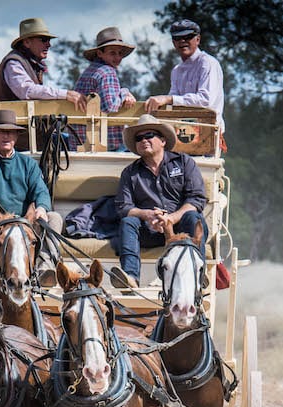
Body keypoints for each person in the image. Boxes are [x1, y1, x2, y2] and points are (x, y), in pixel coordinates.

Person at [0, 109, 63, 287]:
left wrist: (42, 207)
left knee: (54, 218)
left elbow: (40, 190)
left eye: (10, 132)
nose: (6, 136)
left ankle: (46, 268)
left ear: (16, 136)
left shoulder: (27, 164)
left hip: (25, 224)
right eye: (1, 131)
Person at [110, 115, 208, 289]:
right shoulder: (130, 173)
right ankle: (130, 279)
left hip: (180, 230)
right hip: (150, 230)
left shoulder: (184, 162)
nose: (143, 140)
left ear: (163, 140)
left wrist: (171, 218)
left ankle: (198, 274)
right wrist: (146, 215)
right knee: (128, 222)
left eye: (148, 135)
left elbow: (196, 198)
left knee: (194, 217)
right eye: (139, 138)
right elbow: (123, 207)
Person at [0, 17, 89, 151]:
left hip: (29, 138)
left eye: (49, 40)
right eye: (43, 40)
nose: (49, 45)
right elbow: (28, 91)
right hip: (12, 140)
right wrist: (66, 94)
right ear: (27, 42)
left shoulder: (31, 63)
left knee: (72, 142)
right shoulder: (14, 63)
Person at [142, 19, 226, 150]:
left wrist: (168, 99)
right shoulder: (176, 70)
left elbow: (206, 101)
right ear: (173, 42)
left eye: (188, 37)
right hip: (182, 134)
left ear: (197, 39)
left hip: (208, 133)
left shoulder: (208, 63)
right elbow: (173, 103)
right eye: (178, 38)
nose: (182, 41)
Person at [71, 26, 137, 151]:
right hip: (107, 143)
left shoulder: (89, 71)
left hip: (80, 142)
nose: (117, 57)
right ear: (100, 53)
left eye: (120, 53)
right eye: (112, 53)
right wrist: (124, 93)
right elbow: (110, 106)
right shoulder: (107, 71)